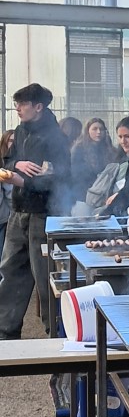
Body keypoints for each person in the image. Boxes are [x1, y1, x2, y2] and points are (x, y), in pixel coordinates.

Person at [0, 83, 71, 339]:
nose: (17, 108)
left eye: (22, 104)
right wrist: (16, 164)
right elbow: (8, 160)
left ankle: (56, 334)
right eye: (16, 103)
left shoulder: (56, 139)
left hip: (43, 215)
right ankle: (5, 332)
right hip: (18, 211)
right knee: (10, 272)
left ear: (38, 107)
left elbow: (60, 178)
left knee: (45, 278)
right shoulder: (20, 130)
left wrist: (24, 182)